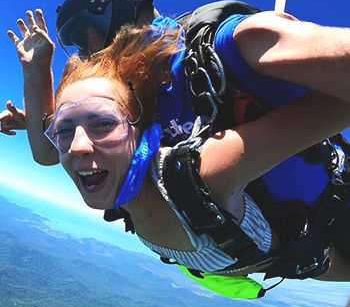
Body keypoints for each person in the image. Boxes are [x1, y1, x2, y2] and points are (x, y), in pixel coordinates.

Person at [43, 21, 350, 289]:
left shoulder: (201, 173)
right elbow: (43, 152)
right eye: (64, 130)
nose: (77, 146)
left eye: (104, 124)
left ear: (141, 129)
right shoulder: (111, 178)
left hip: (324, 244)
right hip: (300, 260)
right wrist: (35, 74)